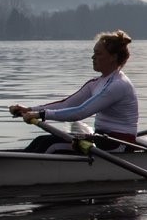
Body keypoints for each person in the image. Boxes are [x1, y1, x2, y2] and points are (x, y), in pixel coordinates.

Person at [11, 30, 140, 153]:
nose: (92, 57)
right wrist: (30, 110)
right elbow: (66, 104)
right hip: (103, 139)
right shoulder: (96, 83)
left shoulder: (118, 85)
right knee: (41, 140)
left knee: (49, 144)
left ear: (113, 57)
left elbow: (81, 112)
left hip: (120, 145)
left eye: (98, 53)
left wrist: (41, 115)